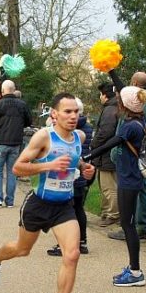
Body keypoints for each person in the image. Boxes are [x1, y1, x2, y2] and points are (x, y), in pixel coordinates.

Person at [0, 93, 96, 293]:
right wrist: (48, 166)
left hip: (64, 206)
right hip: (38, 204)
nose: (73, 116)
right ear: (54, 114)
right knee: (22, 250)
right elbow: (17, 167)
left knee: (72, 254)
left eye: (76, 111)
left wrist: (85, 168)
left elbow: (73, 162)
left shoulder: (80, 136)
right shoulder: (43, 137)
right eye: (67, 112)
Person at [87, 87, 146, 285]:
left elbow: (111, 143)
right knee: (126, 223)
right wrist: (111, 71)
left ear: (125, 105)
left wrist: (89, 155)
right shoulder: (139, 119)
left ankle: (136, 272)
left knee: (128, 225)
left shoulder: (131, 126)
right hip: (129, 178)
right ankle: (133, 268)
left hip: (129, 180)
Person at [107, 70, 146, 240]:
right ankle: (145, 226)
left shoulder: (137, 101)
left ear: (135, 83)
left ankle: (132, 226)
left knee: (132, 190)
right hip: (145, 151)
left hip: (133, 152)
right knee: (145, 189)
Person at [48, 99, 93, 256]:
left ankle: (66, 244)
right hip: (81, 173)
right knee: (79, 208)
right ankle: (82, 242)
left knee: (66, 210)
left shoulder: (65, 129)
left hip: (67, 174)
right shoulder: (87, 127)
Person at [0, 79, 31, 208]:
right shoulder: (22, 105)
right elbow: (28, 121)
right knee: (12, 172)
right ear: (14, 89)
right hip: (16, 142)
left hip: (0, 141)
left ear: (3, 90)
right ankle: (10, 201)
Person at [90, 83, 120, 228]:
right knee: (108, 185)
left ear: (105, 95)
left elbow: (105, 132)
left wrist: (94, 144)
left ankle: (112, 214)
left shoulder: (109, 110)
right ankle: (107, 212)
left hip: (106, 153)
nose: (100, 97)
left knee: (109, 186)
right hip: (109, 154)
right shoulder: (116, 107)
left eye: (100, 94)